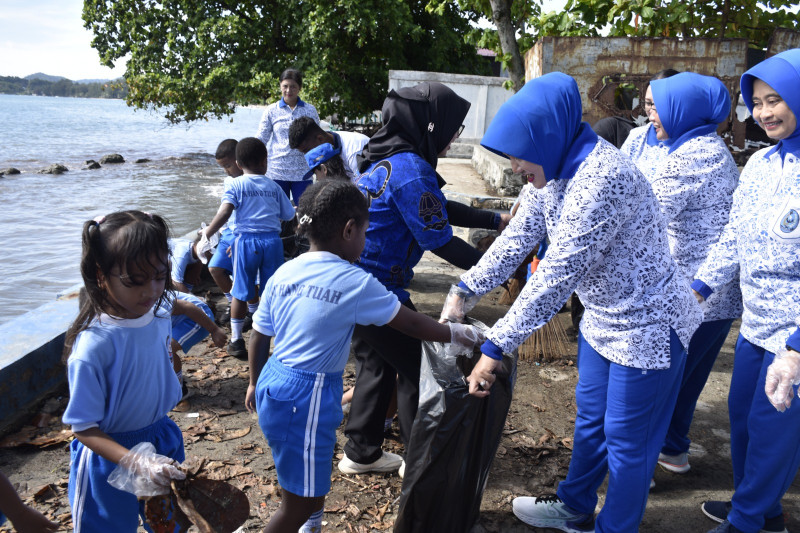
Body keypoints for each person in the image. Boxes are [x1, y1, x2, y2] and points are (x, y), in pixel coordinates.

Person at [442, 72, 702, 533]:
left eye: (520, 155)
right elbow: (518, 236)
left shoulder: (603, 178)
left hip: (648, 327)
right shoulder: (553, 168)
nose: (518, 166)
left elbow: (555, 277)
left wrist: (495, 347)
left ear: (544, 137)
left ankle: (614, 527)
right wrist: (465, 288)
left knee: (627, 445)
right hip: (605, 319)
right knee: (591, 426)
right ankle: (575, 507)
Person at [245, 180, 481, 533]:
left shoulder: (285, 271)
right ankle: (301, 523)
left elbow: (259, 336)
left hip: (273, 381)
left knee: (303, 476)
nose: (365, 241)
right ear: (349, 229)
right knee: (299, 502)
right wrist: (459, 333)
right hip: (306, 397)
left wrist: (253, 382)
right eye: (365, 232)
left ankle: (311, 527)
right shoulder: (353, 280)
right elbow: (411, 323)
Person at [339, 81, 511, 476]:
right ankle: (422, 462)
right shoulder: (412, 170)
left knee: (378, 364)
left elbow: (436, 205)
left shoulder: (388, 159)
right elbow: (441, 241)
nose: (454, 137)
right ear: (431, 125)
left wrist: (493, 219)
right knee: (421, 368)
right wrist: (493, 270)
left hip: (357, 280)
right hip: (378, 288)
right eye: (454, 127)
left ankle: (361, 452)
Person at [692, 48, 800, 533]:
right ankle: (763, 509)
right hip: (756, 324)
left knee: (775, 429)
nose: (763, 113)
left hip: (795, 336)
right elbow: (733, 235)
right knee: (742, 419)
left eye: (775, 100)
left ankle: (747, 520)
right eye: (756, 102)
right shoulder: (758, 164)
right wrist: (699, 286)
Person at [630, 72, 742, 476]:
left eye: (659, 106)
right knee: (685, 380)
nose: (650, 115)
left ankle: (642, 471)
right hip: (710, 291)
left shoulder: (698, 154)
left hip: (697, 291)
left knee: (663, 383)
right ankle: (673, 451)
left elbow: (643, 215)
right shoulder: (697, 145)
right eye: (648, 105)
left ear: (684, 109)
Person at [62, 210, 187, 532]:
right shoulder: (94, 347)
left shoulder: (158, 315)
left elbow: (163, 354)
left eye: (160, 276)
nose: (152, 290)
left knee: (171, 523)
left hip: (162, 437)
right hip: (108, 456)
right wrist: (134, 461)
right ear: (100, 275)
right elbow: (84, 428)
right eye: (135, 281)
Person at [200, 137, 295, 361]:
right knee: (271, 291)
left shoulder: (235, 184)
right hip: (272, 242)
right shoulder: (273, 186)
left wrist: (207, 233)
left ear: (239, 164)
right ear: (265, 161)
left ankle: (236, 340)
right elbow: (288, 215)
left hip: (245, 242)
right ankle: (279, 341)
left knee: (240, 292)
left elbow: (225, 212)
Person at [256, 69, 320, 203]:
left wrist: (319, 165)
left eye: (293, 86)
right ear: (280, 86)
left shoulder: (310, 110)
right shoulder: (271, 110)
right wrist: (250, 161)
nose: (288, 90)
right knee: (277, 215)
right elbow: (261, 139)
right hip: (276, 171)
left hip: (303, 173)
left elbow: (317, 138)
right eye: (285, 86)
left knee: (305, 213)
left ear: (300, 88)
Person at [620, 69, 680, 177]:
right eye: (648, 103)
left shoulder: (695, 145)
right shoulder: (637, 138)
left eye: (659, 104)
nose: (651, 117)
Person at [170, 291, 228, 399]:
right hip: (181, 316)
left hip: (197, 316)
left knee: (166, 349)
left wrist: (214, 329)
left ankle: (178, 390)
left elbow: (186, 306)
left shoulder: (153, 300)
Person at [288, 116, 370, 181]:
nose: (307, 156)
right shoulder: (324, 153)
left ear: (320, 139)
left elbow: (367, 189)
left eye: (307, 150)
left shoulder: (354, 150)